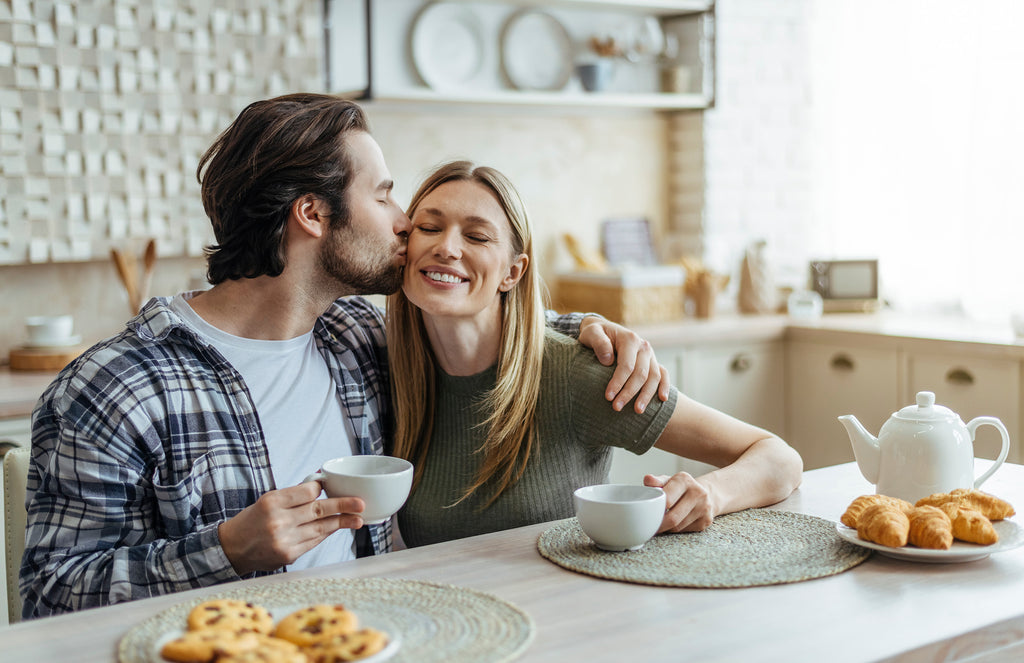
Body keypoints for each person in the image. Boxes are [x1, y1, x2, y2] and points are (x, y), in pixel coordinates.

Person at [20, 94, 669, 619]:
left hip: (377, 633)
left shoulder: (357, 338)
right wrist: (225, 550)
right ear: (312, 214)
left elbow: (481, 309)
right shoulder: (113, 387)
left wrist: (584, 326)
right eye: (384, 194)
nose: (404, 223)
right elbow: (50, 595)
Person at [387, 161, 804, 547]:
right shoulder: (382, 369)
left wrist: (710, 493)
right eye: (428, 227)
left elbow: (779, 459)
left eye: (476, 236)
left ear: (513, 272)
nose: (447, 247)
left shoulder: (575, 375)